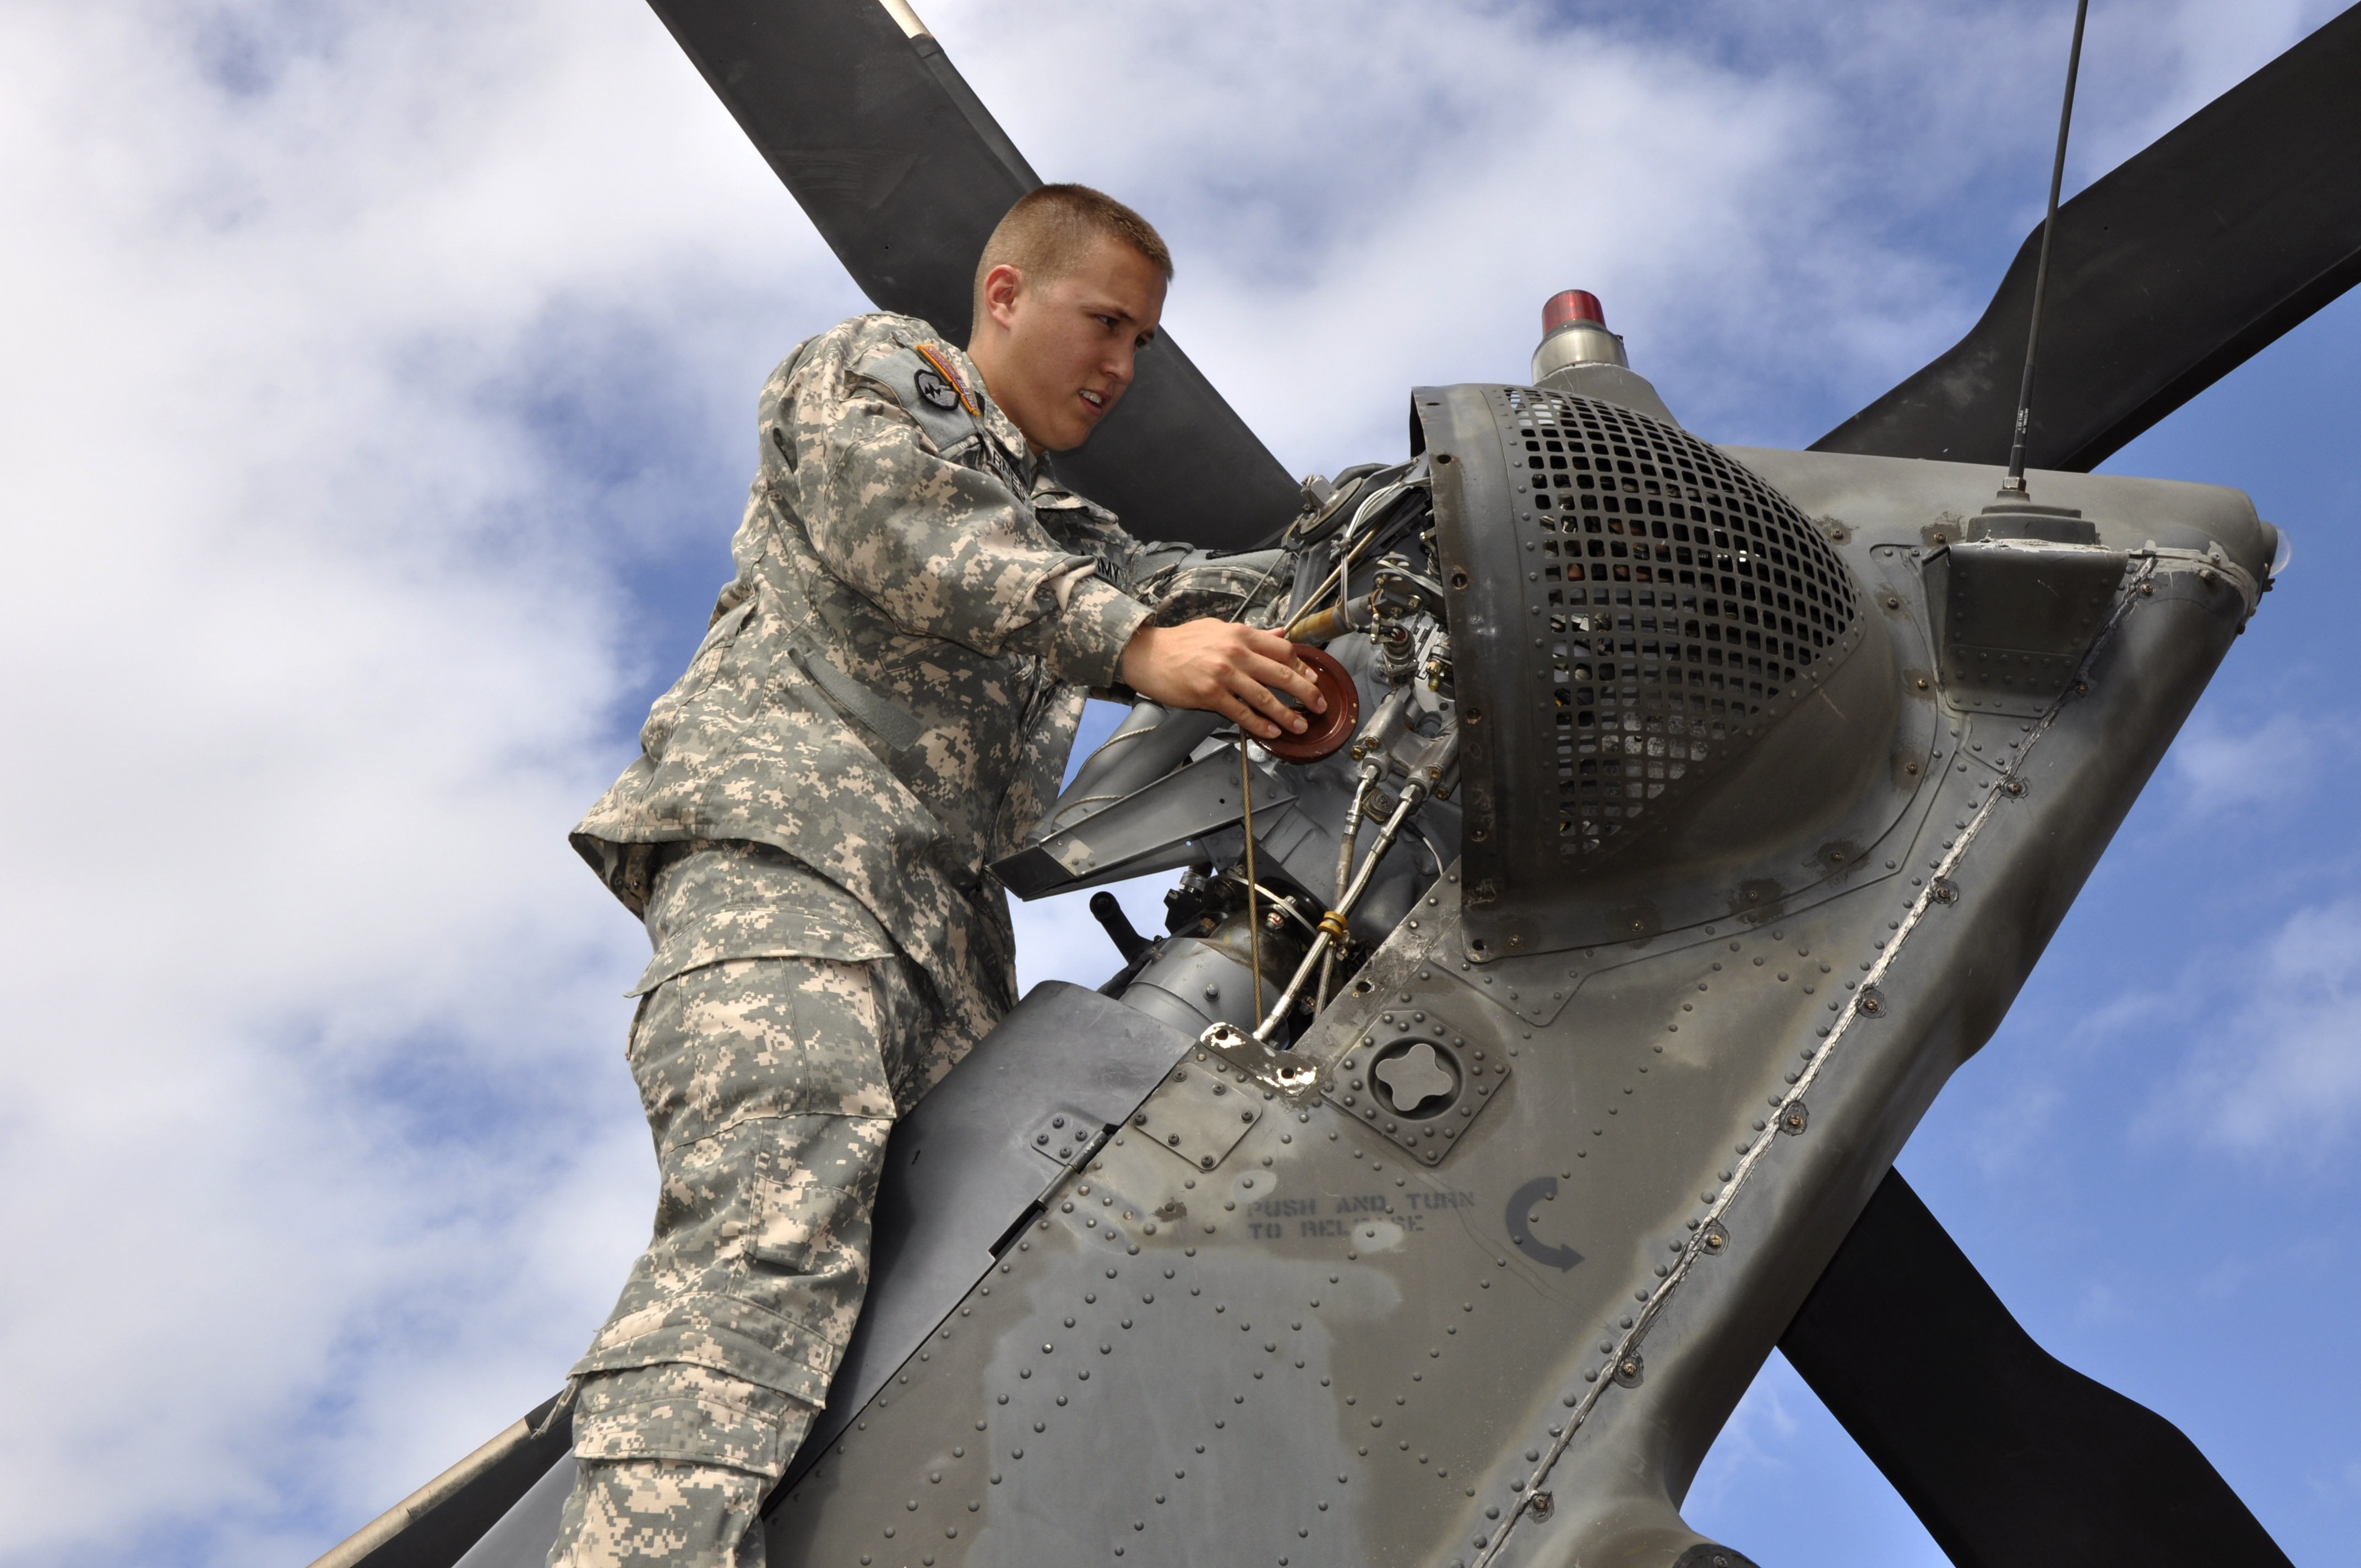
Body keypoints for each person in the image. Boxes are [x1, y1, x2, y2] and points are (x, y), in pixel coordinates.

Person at [545, 184, 1323, 1566]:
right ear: (1008, 294)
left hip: (948, 952)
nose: (1121, 367)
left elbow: (1190, 583)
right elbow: (917, 531)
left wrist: (1379, 556)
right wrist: (1135, 646)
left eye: (1142, 343)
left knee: (945, 1309)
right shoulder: (877, 374)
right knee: (767, 1236)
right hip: (797, 871)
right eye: (1106, 323)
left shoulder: (1056, 522)